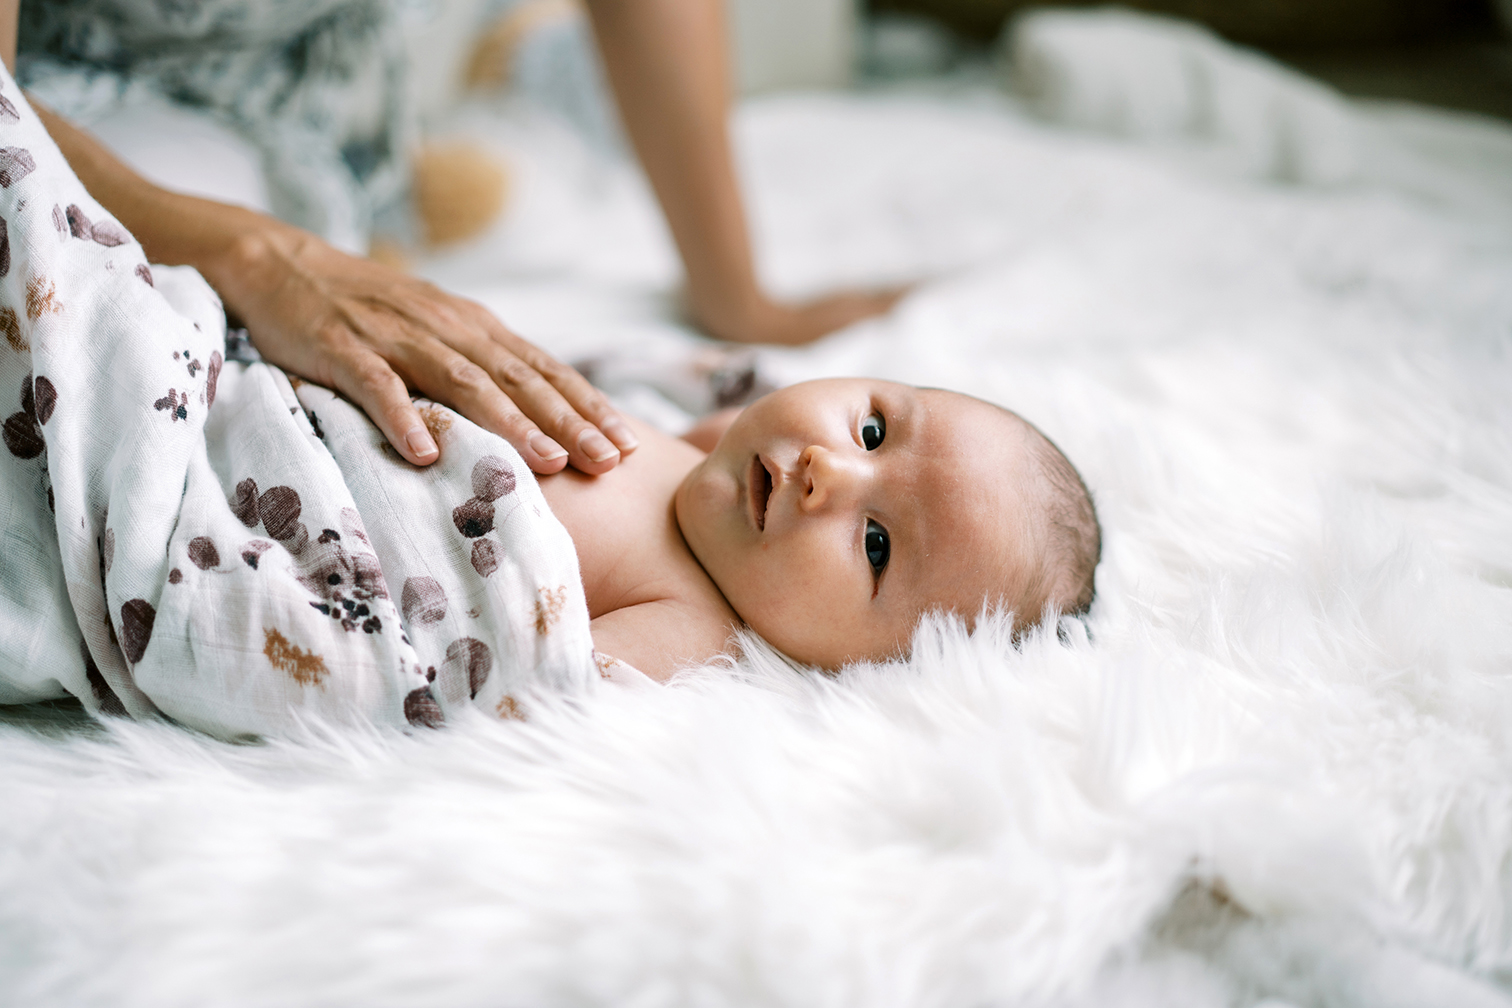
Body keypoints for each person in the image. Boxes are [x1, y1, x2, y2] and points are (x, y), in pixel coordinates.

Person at [0, 0, 900, 477]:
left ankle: (521, 67)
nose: (826, 475)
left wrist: (736, 296)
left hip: (329, 105)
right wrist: (261, 257)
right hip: (83, 102)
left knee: (537, 173)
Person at [542, 378, 1100, 679]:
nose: (828, 469)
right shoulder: (714, 443)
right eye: (874, 431)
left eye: (876, 546)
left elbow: (537, 686)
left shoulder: (692, 627)